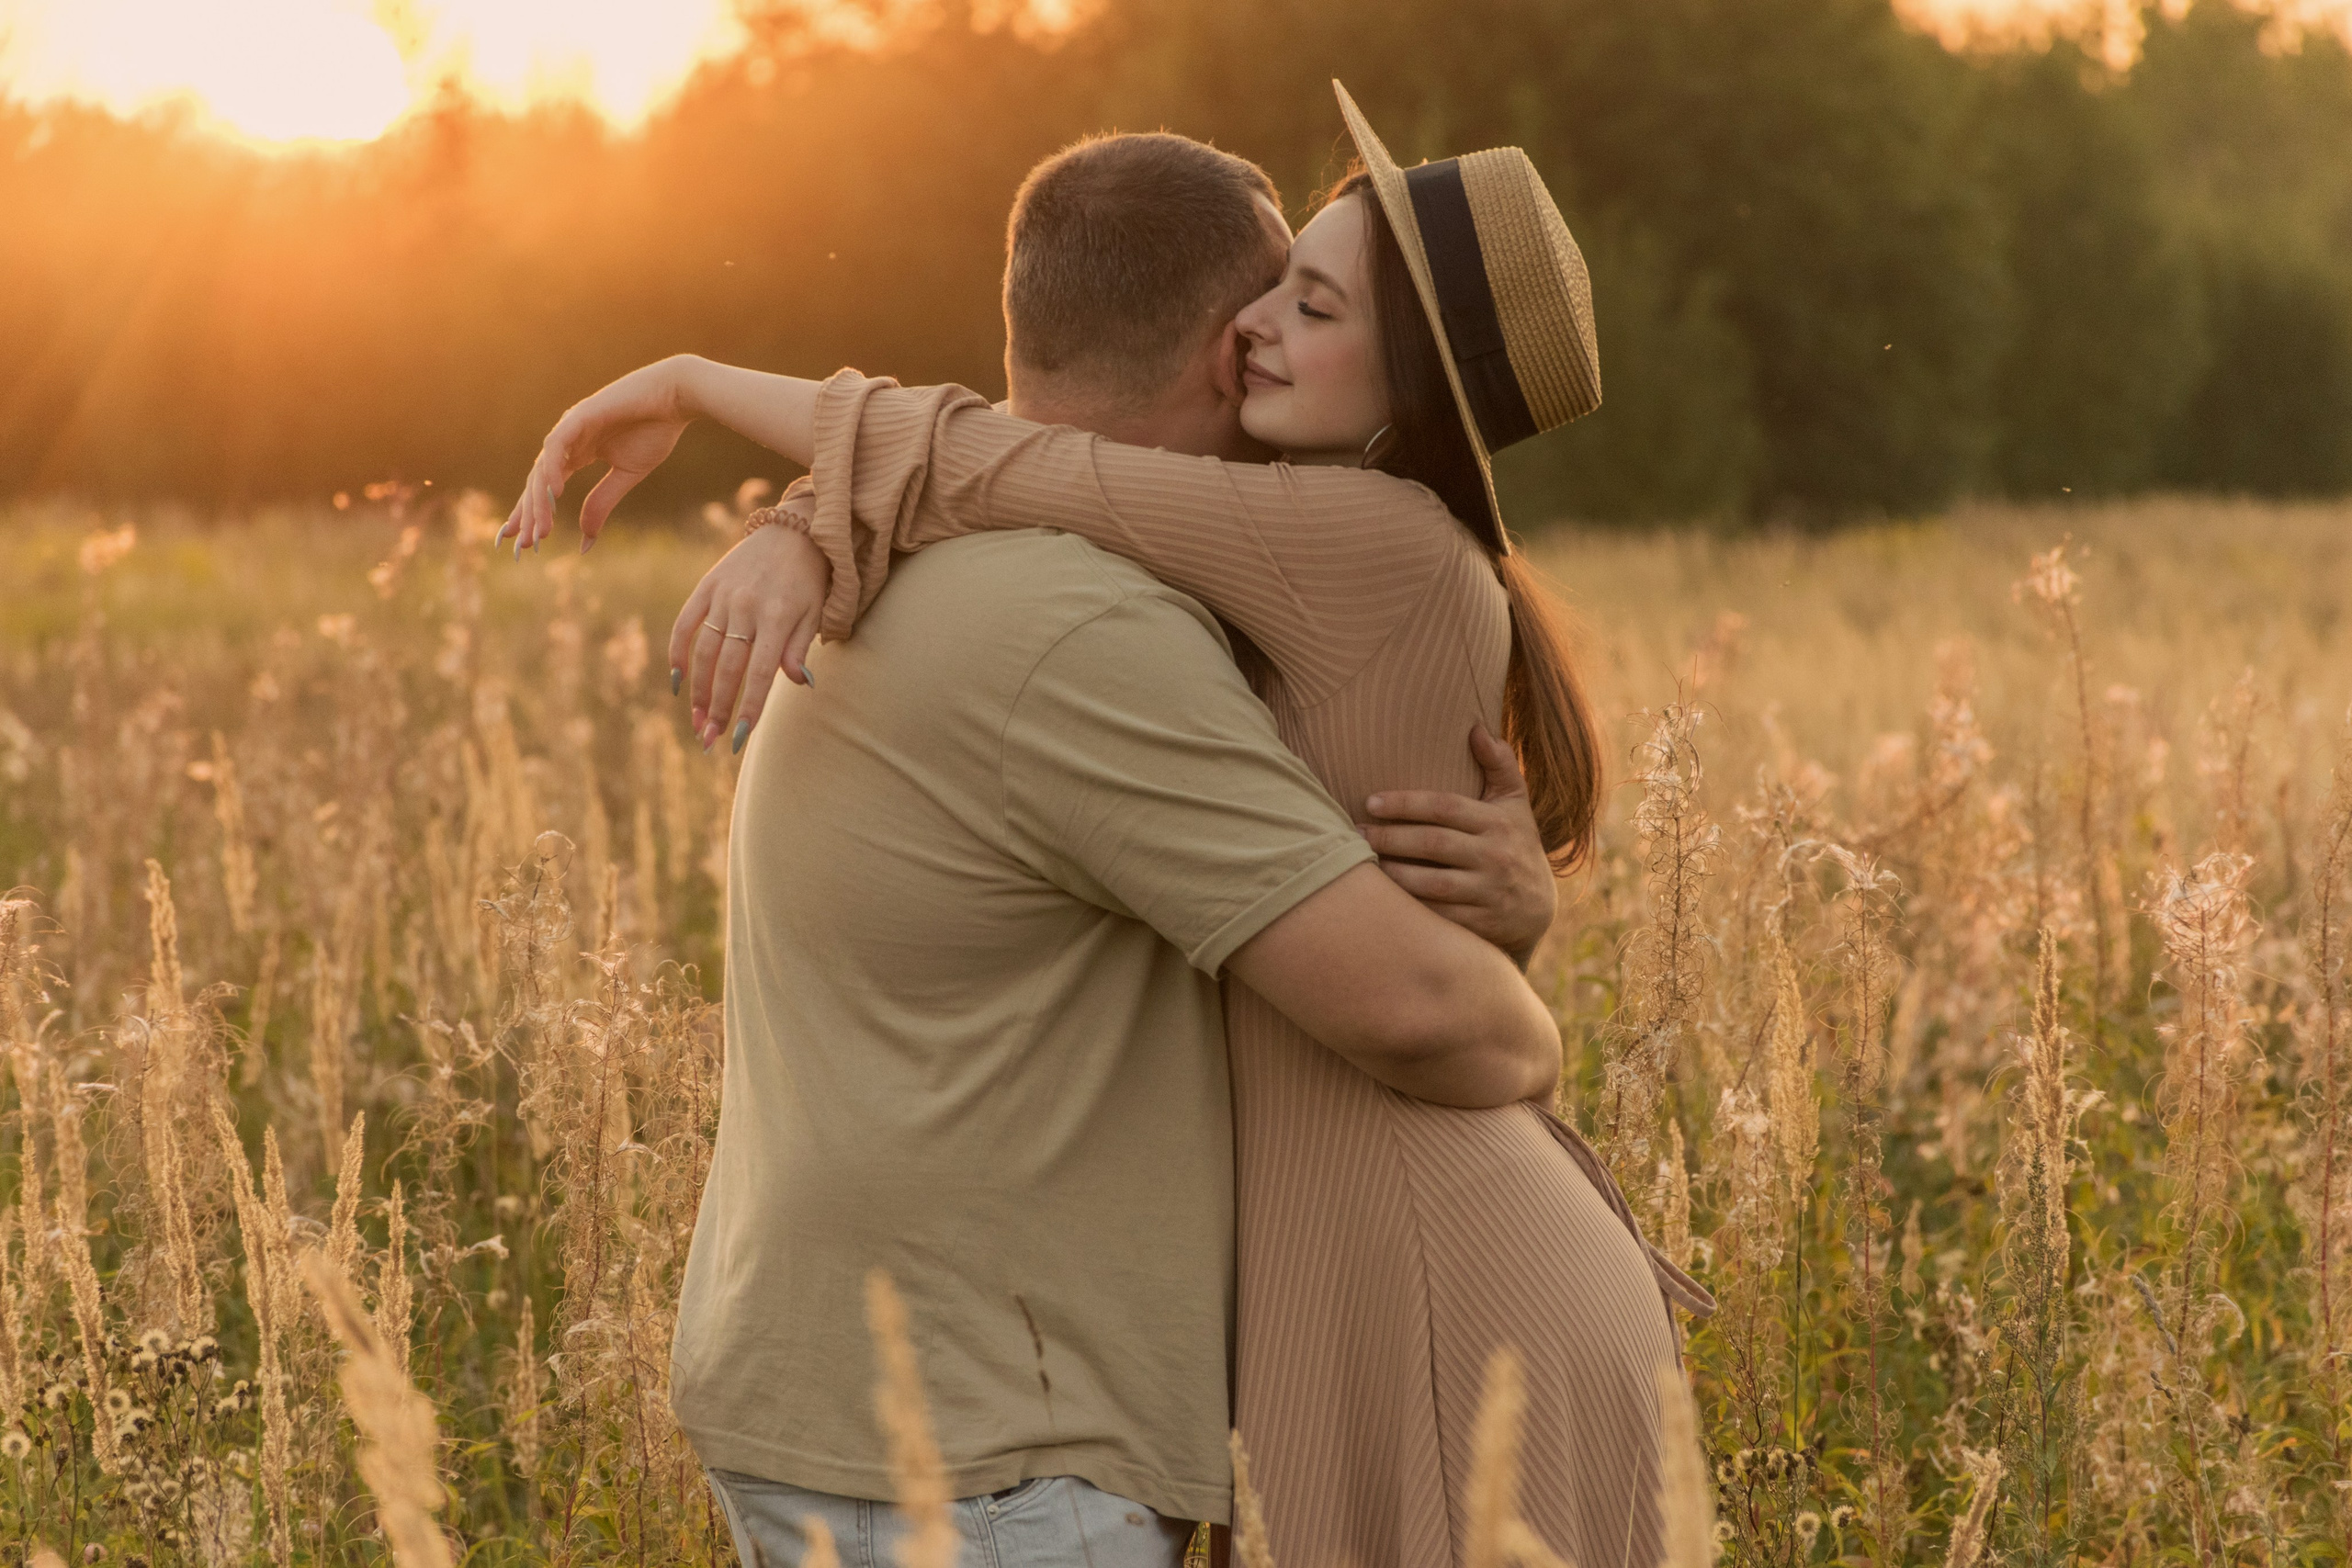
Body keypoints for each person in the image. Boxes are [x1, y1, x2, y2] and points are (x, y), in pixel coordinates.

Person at [505, 128, 1578, 1568]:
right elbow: (1423, 1013)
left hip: (890, 1419)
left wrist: (803, 508)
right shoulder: (1083, 636)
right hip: (990, 1461)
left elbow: (954, 459)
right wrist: (1529, 1013)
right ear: (1224, 358)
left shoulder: (935, 574)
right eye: (1277, 304)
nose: (1274, 335)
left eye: (1318, 311)